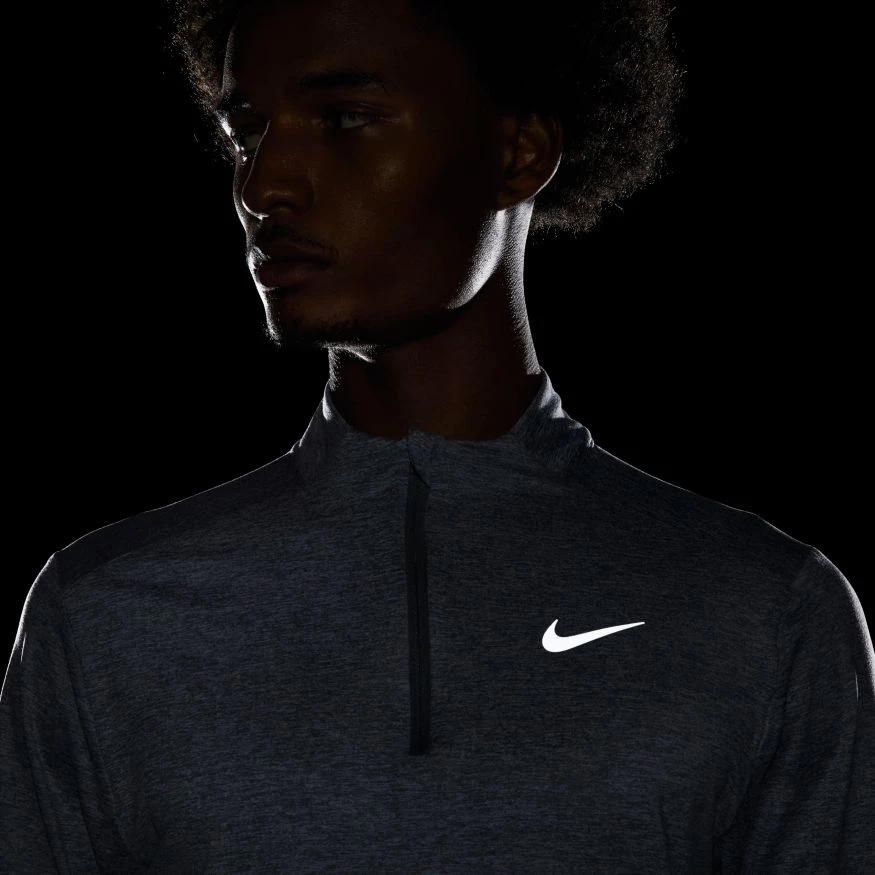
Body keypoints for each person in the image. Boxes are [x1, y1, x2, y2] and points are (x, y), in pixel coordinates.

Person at [2, 0, 872, 871]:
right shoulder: (105, 610)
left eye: (345, 119)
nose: (263, 187)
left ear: (517, 154)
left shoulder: (763, 608)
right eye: (247, 134)